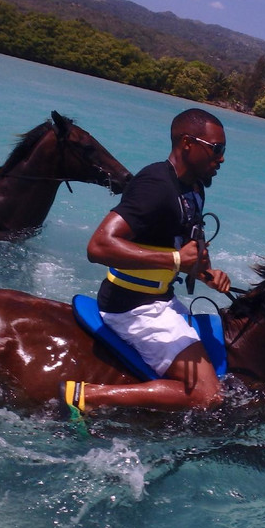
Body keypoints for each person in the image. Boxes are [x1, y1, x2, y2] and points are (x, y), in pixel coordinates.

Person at [64, 108, 232, 413]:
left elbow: (181, 251)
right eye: (216, 149)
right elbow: (98, 245)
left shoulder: (193, 189)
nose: (221, 159)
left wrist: (206, 273)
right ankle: (88, 397)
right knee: (208, 396)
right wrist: (177, 259)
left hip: (161, 300)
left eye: (223, 151)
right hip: (132, 308)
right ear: (186, 143)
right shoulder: (155, 185)